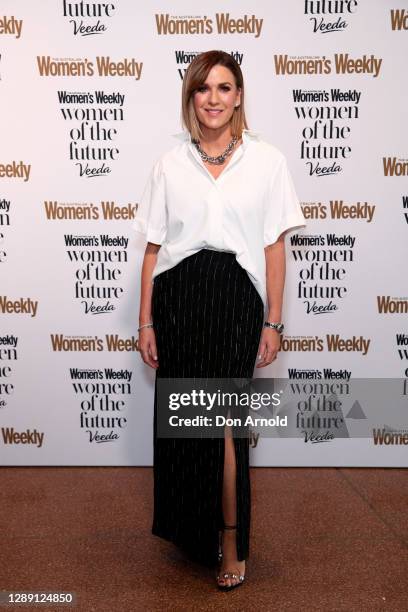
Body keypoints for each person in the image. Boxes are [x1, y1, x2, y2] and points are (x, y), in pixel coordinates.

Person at [133, 50, 306, 591]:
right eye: (203, 89)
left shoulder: (267, 160)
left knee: (224, 425)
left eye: (225, 88)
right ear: (191, 98)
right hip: (178, 298)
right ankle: (195, 532)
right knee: (184, 421)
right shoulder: (169, 164)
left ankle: (232, 541)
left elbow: (274, 246)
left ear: (239, 96)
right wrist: (146, 322)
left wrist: (274, 321)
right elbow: (154, 250)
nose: (214, 99)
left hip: (236, 299)